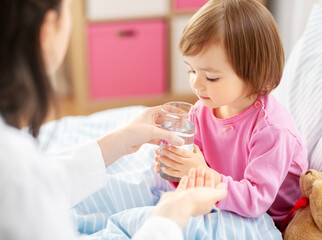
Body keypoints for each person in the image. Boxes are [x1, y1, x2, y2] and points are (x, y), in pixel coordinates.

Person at [0, 0, 227, 239]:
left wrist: (118, 140)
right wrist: (175, 211)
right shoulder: (15, 170)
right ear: (47, 31)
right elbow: (26, 188)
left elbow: (40, 185)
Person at [154, 0, 309, 227]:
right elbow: (198, 171)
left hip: (268, 219)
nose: (196, 83)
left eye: (211, 77)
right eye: (191, 69)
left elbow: (256, 201)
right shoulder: (202, 110)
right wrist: (179, 168)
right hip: (223, 203)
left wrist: (204, 175)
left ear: (255, 73)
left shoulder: (272, 130)